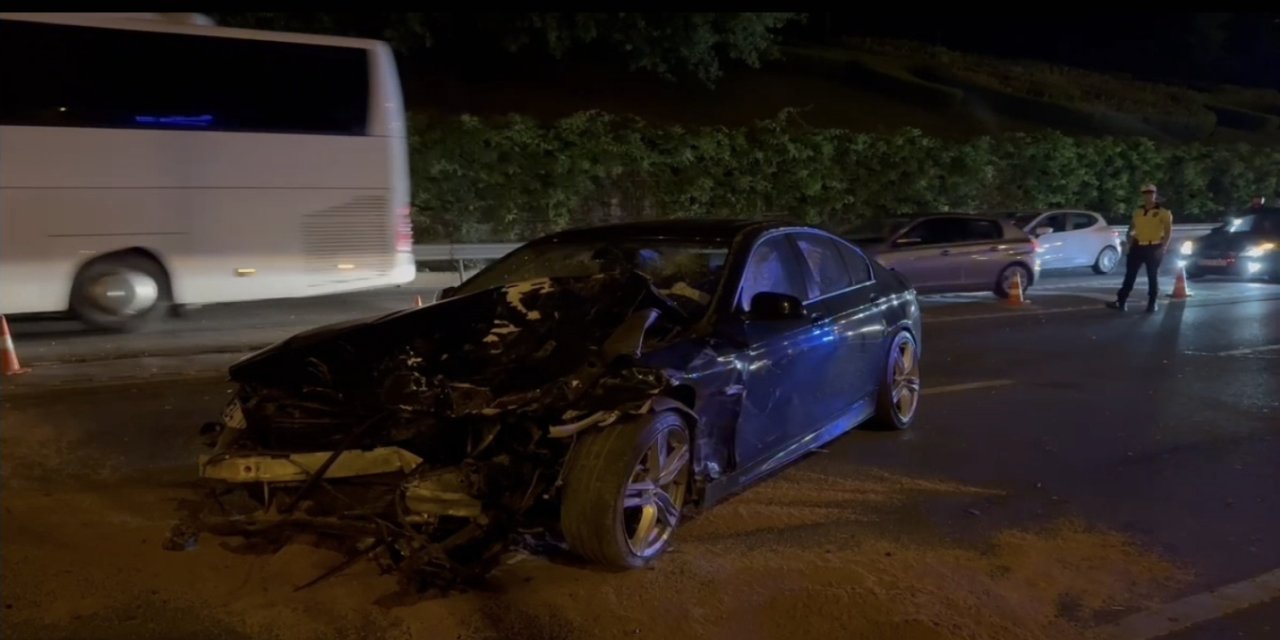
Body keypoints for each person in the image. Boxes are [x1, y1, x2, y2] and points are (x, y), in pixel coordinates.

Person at [1107, 183, 1173, 313]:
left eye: (1151, 193)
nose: (1148, 196)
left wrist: (1164, 246)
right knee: (1130, 275)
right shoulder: (1138, 211)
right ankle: (1121, 301)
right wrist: (1129, 239)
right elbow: (1132, 227)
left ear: (1155, 195)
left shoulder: (1163, 212)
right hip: (1137, 246)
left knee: (1152, 275)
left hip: (1154, 247)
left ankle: (1152, 303)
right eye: (1145, 193)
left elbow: (1168, 231)